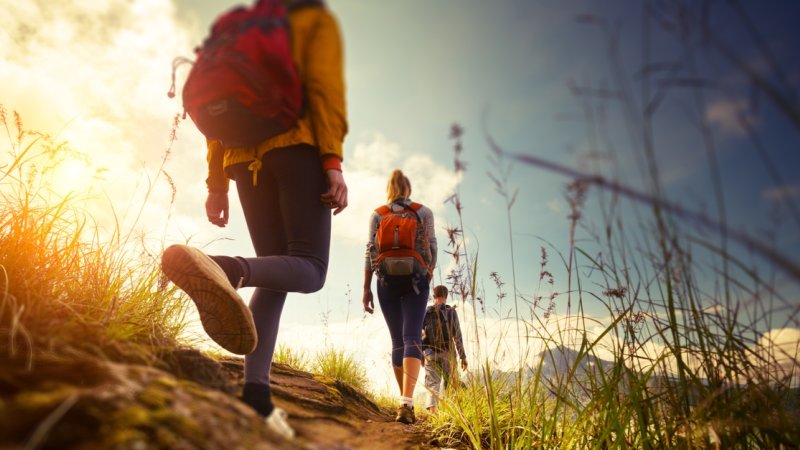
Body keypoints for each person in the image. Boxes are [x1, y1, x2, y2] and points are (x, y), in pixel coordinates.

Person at [160, 0, 347, 440]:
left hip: (243, 161)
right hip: (297, 149)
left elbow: (217, 117)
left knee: (276, 272)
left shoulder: (239, 25)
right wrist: (332, 162)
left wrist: (217, 183)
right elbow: (324, 89)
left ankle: (256, 396)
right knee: (311, 269)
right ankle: (225, 269)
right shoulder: (311, 19)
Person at [362, 169, 437, 425]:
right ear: (409, 189)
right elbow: (433, 246)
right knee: (412, 337)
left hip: (386, 282)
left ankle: (405, 402)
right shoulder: (423, 212)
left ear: (389, 189)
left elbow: (369, 251)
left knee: (397, 341)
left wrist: (366, 288)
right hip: (416, 281)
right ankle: (407, 401)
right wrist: (427, 275)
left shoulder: (377, 214)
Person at [422, 285, 467, 414]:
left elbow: (421, 334)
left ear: (434, 296)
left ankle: (433, 413)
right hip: (448, 353)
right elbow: (457, 335)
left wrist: (421, 355)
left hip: (430, 353)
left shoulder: (426, 312)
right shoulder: (451, 311)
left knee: (432, 383)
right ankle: (451, 413)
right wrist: (463, 356)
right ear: (446, 296)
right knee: (451, 382)